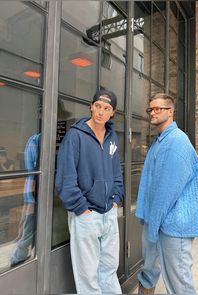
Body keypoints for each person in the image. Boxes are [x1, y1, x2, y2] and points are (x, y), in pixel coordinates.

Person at [55, 89, 124, 294]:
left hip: (109, 212)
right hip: (87, 216)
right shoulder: (75, 136)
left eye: (106, 108)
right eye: (98, 106)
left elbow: (116, 171)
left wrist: (116, 199)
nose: (101, 112)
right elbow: (65, 177)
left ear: (113, 112)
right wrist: (81, 208)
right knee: (87, 277)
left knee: (109, 269)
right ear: (91, 106)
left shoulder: (112, 137)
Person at [135, 93, 198, 294]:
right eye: (150, 109)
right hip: (155, 221)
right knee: (148, 273)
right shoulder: (159, 141)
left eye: (158, 109)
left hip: (173, 226)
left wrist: (153, 227)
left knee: (179, 283)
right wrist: (149, 222)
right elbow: (151, 185)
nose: (152, 113)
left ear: (171, 111)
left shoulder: (177, 142)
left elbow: (166, 191)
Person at [10, 133, 40, 267]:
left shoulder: (35, 140)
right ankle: (19, 255)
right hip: (34, 185)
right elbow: (32, 170)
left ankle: (20, 247)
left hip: (33, 185)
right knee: (29, 219)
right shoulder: (36, 140)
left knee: (27, 218)